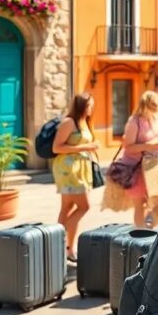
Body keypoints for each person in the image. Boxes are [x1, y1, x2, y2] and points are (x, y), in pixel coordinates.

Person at [101, 91, 158, 229]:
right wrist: (147, 145)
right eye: (155, 104)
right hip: (136, 168)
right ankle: (140, 234)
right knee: (140, 203)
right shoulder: (135, 121)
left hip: (155, 167)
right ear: (146, 104)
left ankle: (149, 223)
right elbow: (128, 147)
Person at [51, 93, 100, 261]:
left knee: (67, 208)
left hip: (79, 169)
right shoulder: (69, 122)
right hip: (69, 169)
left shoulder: (83, 122)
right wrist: (87, 146)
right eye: (89, 106)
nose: (91, 109)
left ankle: (66, 249)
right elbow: (57, 148)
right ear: (82, 106)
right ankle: (59, 241)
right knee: (84, 206)